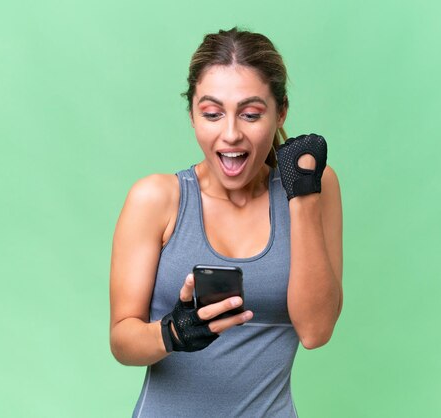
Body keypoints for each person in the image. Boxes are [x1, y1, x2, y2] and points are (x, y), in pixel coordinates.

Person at [109, 27, 343, 417]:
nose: (231, 134)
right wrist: (171, 333)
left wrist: (300, 196)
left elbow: (316, 331)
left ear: (281, 111)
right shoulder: (156, 198)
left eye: (251, 114)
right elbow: (122, 341)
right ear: (192, 115)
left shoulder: (313, 183)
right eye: (212, 114)